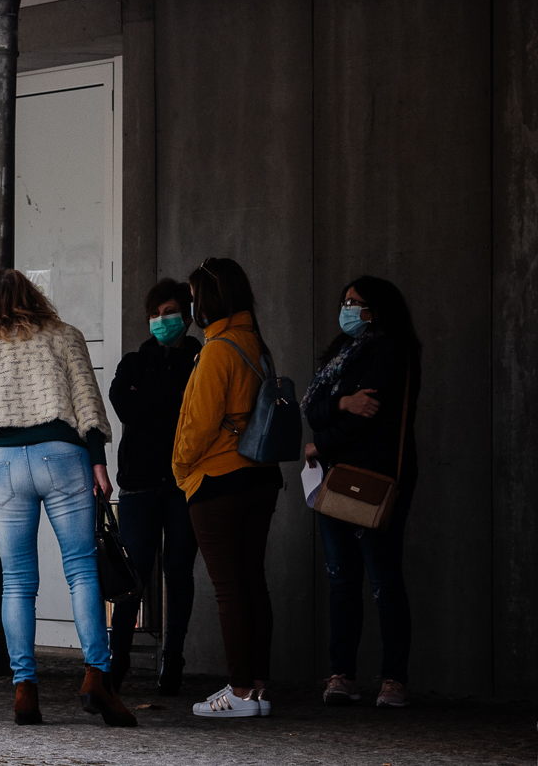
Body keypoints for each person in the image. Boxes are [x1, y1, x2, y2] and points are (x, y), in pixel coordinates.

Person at [0, 269, 135, 728]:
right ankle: (98, 676)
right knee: (81, 569)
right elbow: (88, 403)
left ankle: (25, 689)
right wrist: (99, 462)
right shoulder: (65, 335)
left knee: (18, 581)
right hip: (63, 455)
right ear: (34, 296)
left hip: (3, 464)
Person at [302, 276, 420, 710]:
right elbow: (313, 408)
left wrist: (323, 443)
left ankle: (394, 680)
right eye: (345, 300)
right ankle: (342, 675)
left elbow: (372, 414)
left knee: (384, 582)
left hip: (376, 478)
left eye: (357, 302)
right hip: (337, 479)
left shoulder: (389, 349)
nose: (348, 308)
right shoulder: (340, 353)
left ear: (378, 308)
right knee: (342, 581)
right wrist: (341, 403)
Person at [173, 256, 282, 719]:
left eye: (195, 297)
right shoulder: (255, 344)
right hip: (259, 477)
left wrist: (180, 468)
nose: (191, 305)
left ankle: (237, 691)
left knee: (229, 590)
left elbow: (198, 424)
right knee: (253, 583)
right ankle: (256, 688)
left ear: (209, 300)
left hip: (217, 480)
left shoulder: (217, 350)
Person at [107, 278, 201, 696]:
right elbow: (123, 404)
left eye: (171, 312)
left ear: (187, 314)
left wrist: (150, 401)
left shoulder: (201, 356)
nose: (163, 320)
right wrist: (171, 399)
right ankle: (118, 658)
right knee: (131, 575)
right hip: (139, 485)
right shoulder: (134, 360)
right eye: (156, 314)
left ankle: (173, 658)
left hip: (184, 483)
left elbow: (194, 408)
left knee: (179, 571)